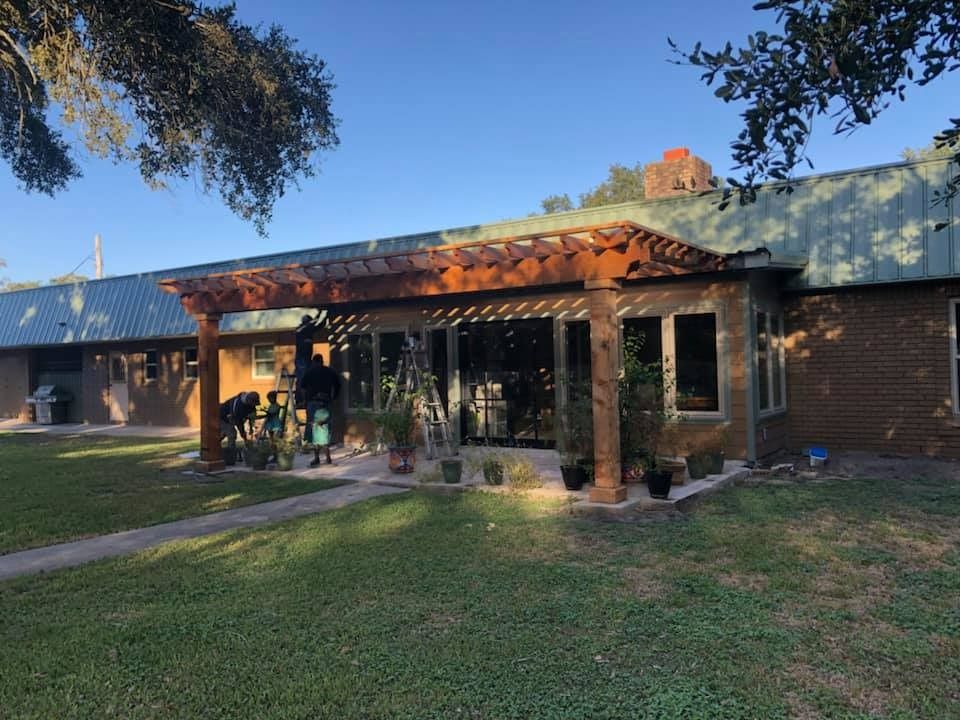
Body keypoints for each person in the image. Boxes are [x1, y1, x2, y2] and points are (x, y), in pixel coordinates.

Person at [299, 354, 341, 467]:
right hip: (326, 403)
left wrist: (305, 400)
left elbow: (302, 388)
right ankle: (328, 458)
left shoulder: (309, 372)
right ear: (322, 361)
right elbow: (337, 385)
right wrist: (333, 398)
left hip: (313, 403)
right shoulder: (330, 372)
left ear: (314, 362)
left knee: (314, 431)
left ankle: (317, 458)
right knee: (326, 429)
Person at [294, 313, 319, 396]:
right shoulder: (300, 329)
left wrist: (324, 316)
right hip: (301, 358)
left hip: (306, 358)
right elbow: (312, 324)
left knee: (307, 377)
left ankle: (306, 397)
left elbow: (318, 326)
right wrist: (317, 316)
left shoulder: (308, 330)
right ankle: (299, 398)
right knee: (302, 378)